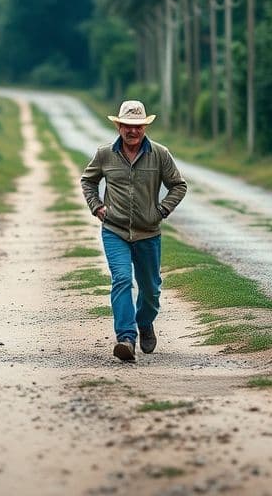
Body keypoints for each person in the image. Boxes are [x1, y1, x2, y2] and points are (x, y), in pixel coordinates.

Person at [80, 100, 187, 362]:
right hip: (114, 230)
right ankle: (126, 338)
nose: (133, 131)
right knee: (122, 280)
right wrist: (96, 206)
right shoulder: (105, 154)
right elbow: (88, 180)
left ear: (145, 127)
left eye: (138, 126)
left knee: (151, 290)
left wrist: (161, 210)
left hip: (148, 233)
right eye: (127, 126)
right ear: (119, 126)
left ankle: (145, 322)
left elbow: (179, 186)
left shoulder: (160, 154)